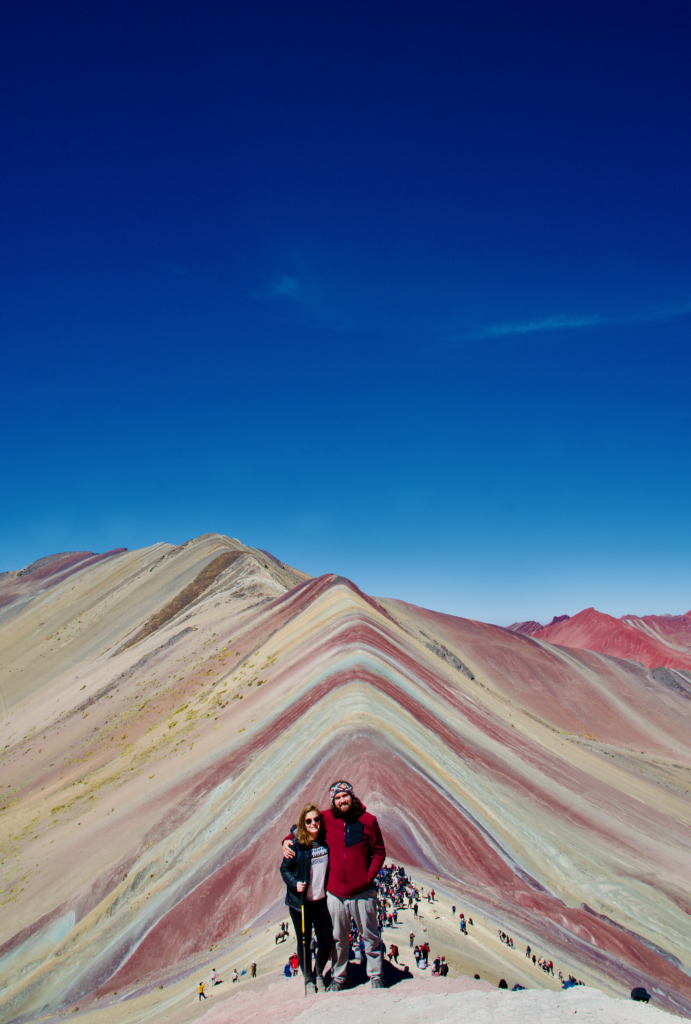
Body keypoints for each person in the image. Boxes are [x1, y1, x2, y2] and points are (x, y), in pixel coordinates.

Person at [283, 781, 386, 991]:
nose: (342, 801)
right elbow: (303, 825)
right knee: (338, 938)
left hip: (362, 892)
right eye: (337, 798)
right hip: (336, 894)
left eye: (345, 796)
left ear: (352, 796)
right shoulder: (328, 819)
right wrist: (286, 840)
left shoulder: (368, 821)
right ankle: (338, 978)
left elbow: (379, 852)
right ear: (333, 801)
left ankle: (375, 975)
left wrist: (368, 877)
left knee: (370, 935)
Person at [280, 803, 333, 995]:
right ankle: (309, 980)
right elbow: (284, 869)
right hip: (300, 904)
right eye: (308, 821)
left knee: (326, 941)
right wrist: (295, 884)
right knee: (304, 942)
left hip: (322, 901)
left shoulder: (326, 841)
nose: (313, 823)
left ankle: (319, 973)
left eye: (316, 819)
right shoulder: (297, 844)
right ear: (303, 823)